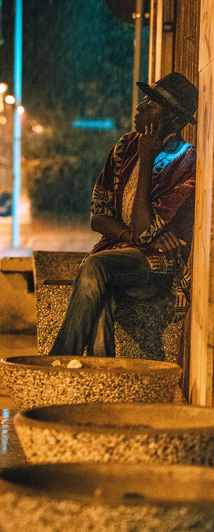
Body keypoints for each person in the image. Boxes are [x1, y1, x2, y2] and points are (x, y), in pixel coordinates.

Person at [50, 71, 198, 358]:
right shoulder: (125, 146)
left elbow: (145, 230)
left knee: (94, 267)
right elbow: (98, 216)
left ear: (175, 119)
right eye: (144, 100)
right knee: (99, 290)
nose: (140, 108)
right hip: (117, 253)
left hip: (158, 265)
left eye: (151, 104)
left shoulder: (187, 162)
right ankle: (103, 374)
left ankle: (57, 360)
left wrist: (146, 161)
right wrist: (130, 235)